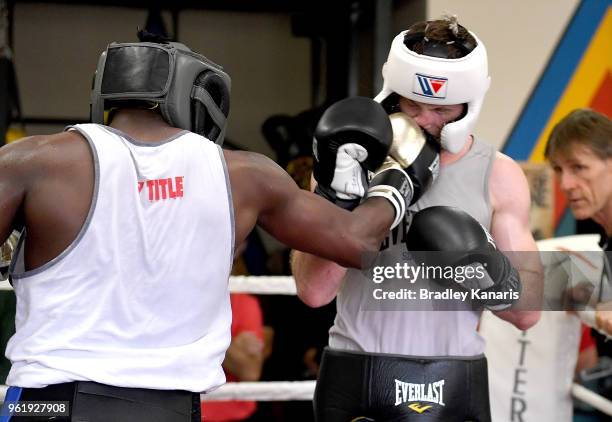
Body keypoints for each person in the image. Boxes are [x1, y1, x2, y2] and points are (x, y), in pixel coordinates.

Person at [0, 31, 425, 421]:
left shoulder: (33, 162)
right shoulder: (243, 176)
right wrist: (399, 174)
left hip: (47, 402)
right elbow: (359, 243)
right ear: (201, 99)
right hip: (170, 408)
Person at [291, 16, 543, 421]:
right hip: (357, 372)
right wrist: (337, 200)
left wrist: (481, 267)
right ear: (391, 95)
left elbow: (527, 313)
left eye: (441, 109)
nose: (425, 120)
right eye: (413, 105)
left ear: (468, 105)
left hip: (454, 379)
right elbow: (313, 291)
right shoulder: (349, 158)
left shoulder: (498, 175)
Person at [545, 108, 612, 417]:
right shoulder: (594, 240)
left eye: (578, 167)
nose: (566, 183)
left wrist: (594, 309)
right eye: (558, 169)